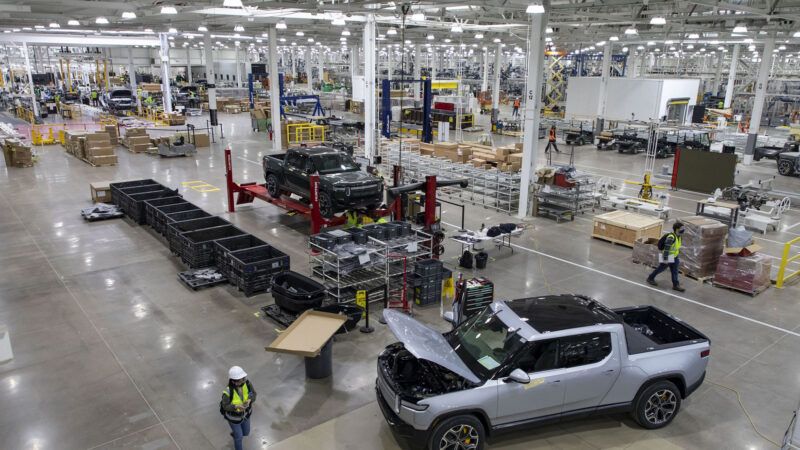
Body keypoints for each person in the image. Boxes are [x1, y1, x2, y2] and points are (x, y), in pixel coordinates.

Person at [221, 366, 256, 450]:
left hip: (246, 415)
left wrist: (249, 400)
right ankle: (237, 436)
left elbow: (253, 394)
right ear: (233, 381)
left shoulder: (247, 383)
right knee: (239, 437)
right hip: (234, 419)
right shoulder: (228, 392)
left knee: (246, 433)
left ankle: (235, 433)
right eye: (241, 380)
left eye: (243, 378)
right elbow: (225, 406)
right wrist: (236, 406)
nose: (243, 381)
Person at [647, 222, 686, 292]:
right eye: (682, 228)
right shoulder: (671, 237)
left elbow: (676, 247)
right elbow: (667, 248)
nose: (683, 230)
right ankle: (650, 278)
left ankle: (676, 285)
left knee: (675, 271)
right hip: (667, 256)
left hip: (675, 257)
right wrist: (665, 259)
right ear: (677, 229)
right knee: (661, 269)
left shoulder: (679, 236)